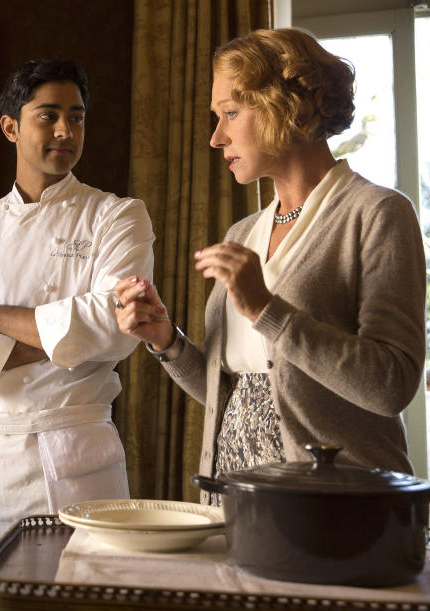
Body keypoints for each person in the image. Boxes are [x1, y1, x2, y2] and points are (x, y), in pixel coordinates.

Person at [113, 28, 424, 503]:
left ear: (284, 106)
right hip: (235, 504)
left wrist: (265, 309)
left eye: (231, 113)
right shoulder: (243, 234)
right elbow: (243, 393)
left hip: (333, 510)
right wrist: (166, 340)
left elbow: (391, 386)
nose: (216, 138)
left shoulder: (377, 213)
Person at [0, 59, 155, 551]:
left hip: (79, 453)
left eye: (77, 115)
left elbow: (115, 327)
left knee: (85, 608)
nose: (66, 130)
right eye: (48, 115)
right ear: (11, 127)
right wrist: (65, 337)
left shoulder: (117, 216)